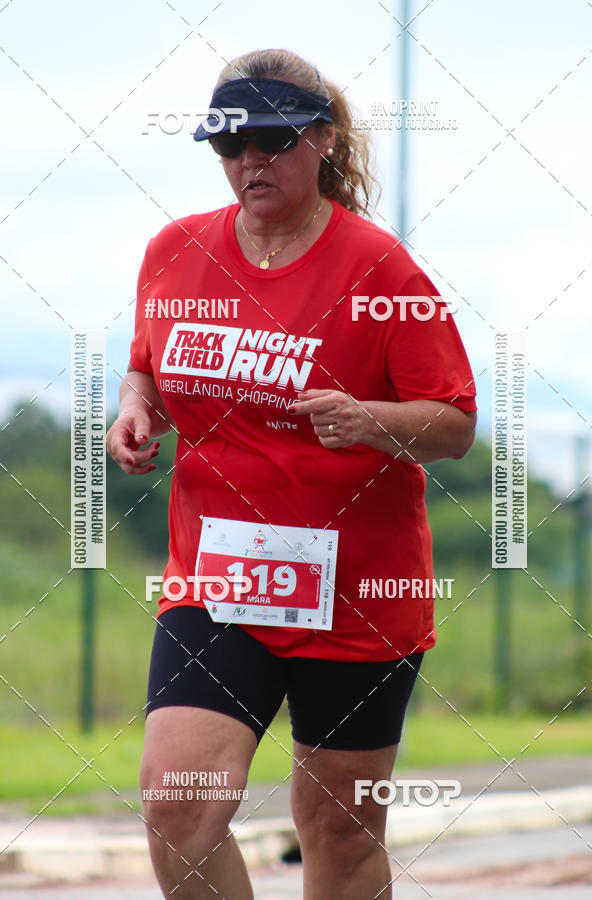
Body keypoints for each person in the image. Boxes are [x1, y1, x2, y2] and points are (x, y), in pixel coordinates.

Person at [107, 48, 477, 900]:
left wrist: (367, 420)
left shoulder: (381, 272)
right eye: (229, 147)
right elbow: (147, 369)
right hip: (220, 577)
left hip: (359, 592)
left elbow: (455, 424)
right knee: (178, 805)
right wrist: (135, 408)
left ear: (321, 140)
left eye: (271, 143)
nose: (249, 163)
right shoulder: (175, 252)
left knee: (339, 837)